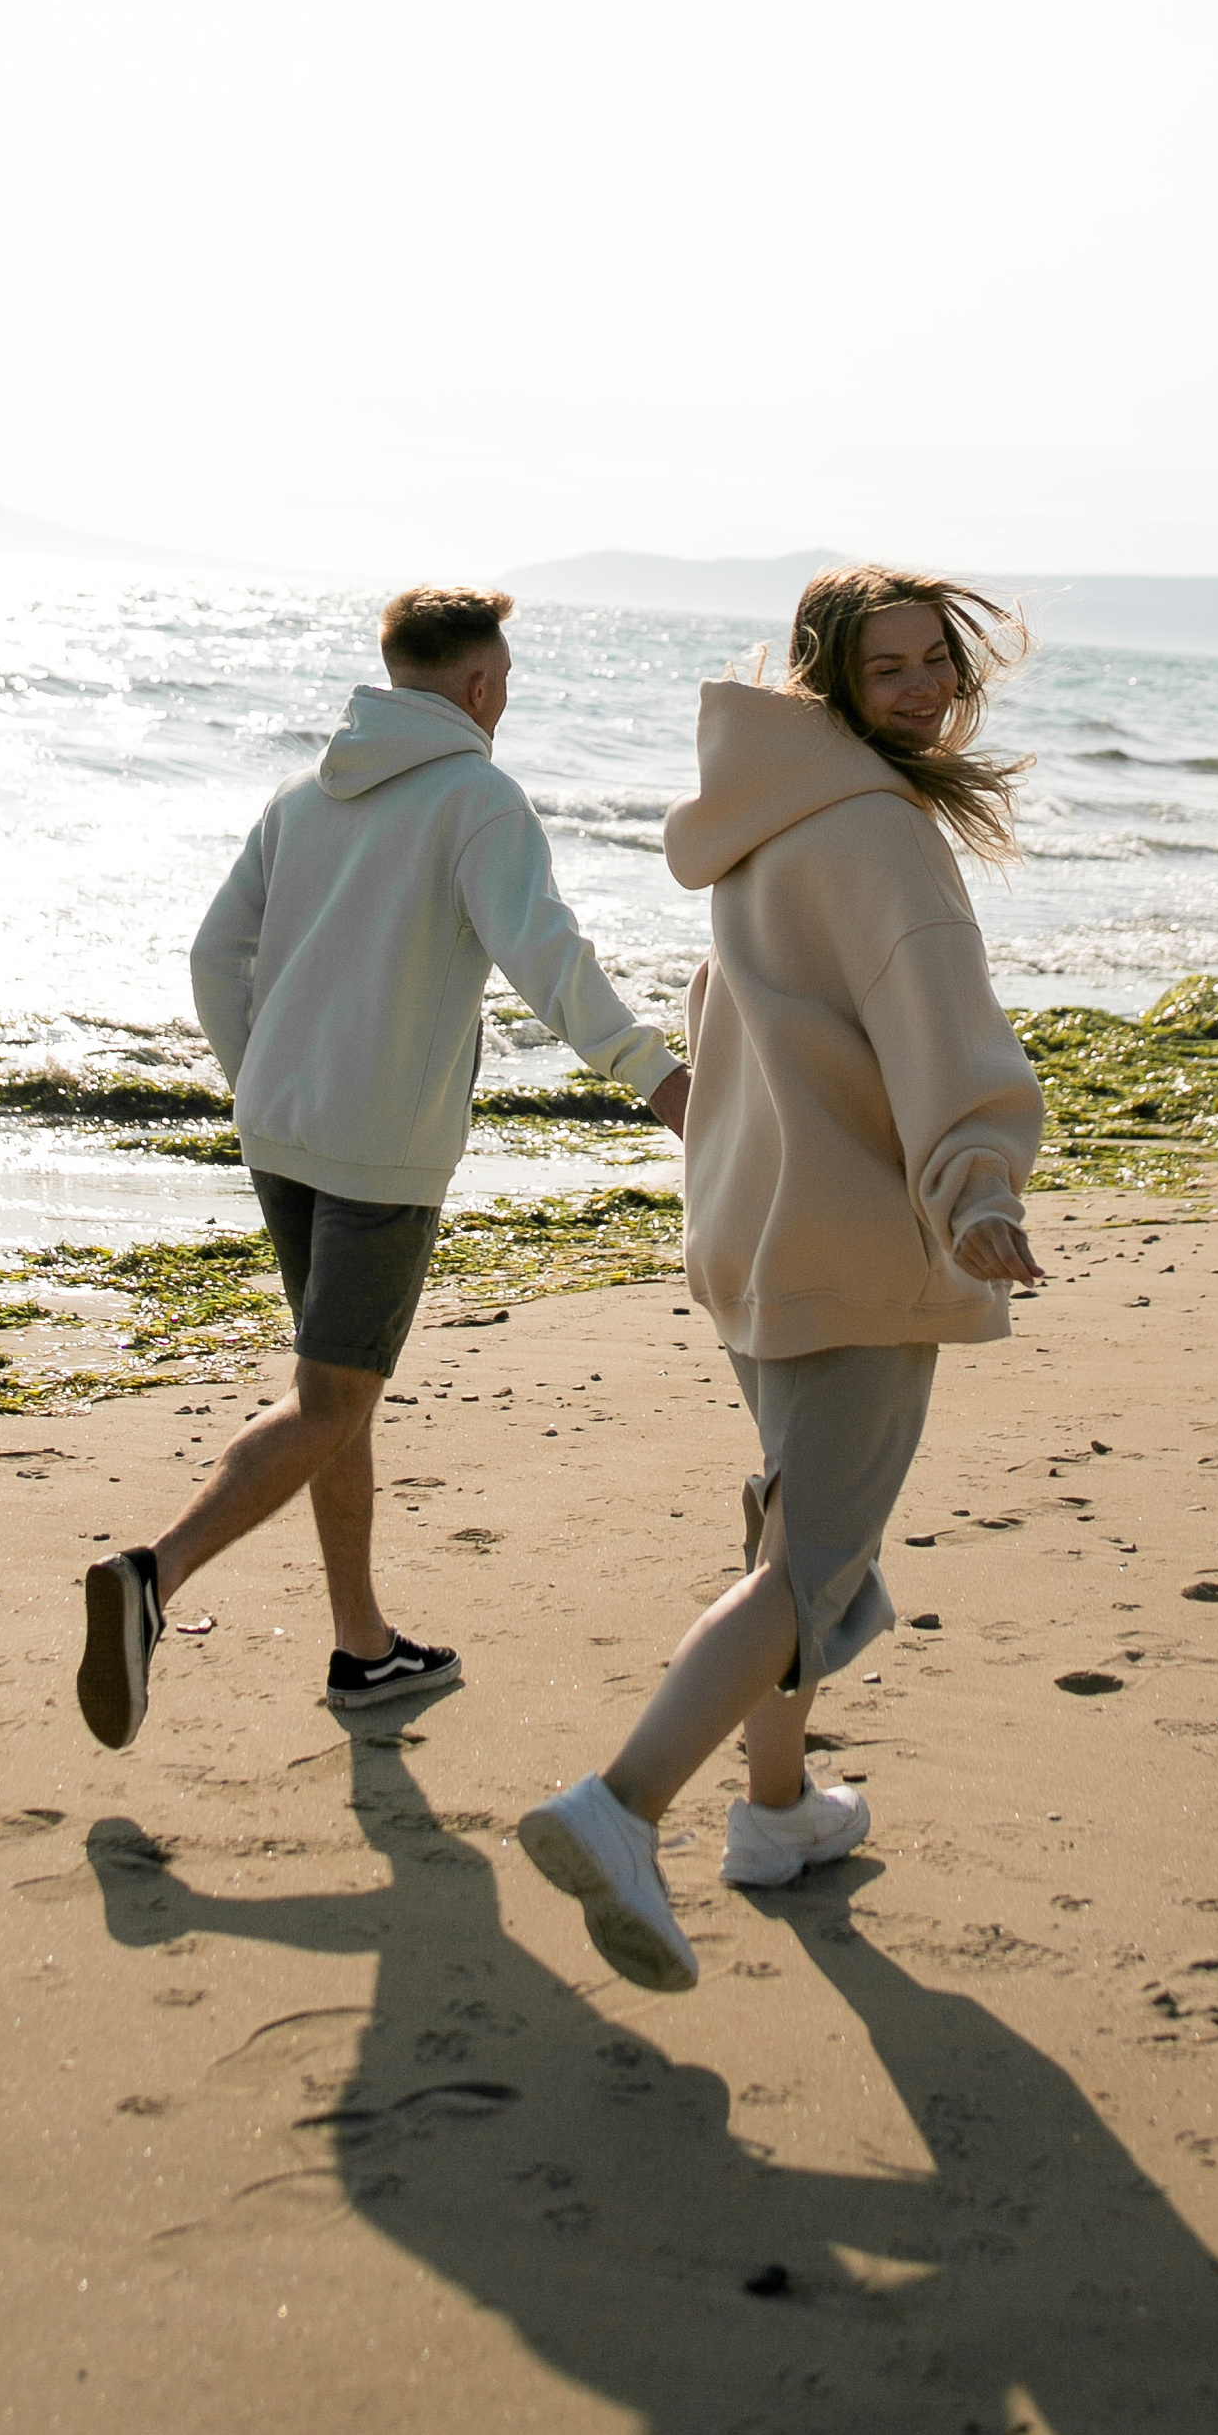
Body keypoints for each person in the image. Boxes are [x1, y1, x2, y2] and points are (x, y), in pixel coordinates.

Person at [518, 564, 1044, 1992]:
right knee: (809, 1566)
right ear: (832, 684)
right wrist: (976, 1189)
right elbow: (934, 1020)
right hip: (856, 1246)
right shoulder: (880, 834)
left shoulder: (766, 826)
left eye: (938, 661)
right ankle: (621, 1808)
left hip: (755, 1242)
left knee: (790, 1536)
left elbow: (733, 1024)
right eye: (892, 672)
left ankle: (775, 1815)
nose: (928, 688)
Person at [76, 584, 691, 1750]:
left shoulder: (302, 796)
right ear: (478, 687)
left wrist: (259, 1076)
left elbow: (216, 955)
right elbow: (544, 958)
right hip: (378, 1154)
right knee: (332, 1397)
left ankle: (364, 1648)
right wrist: (659, 1075)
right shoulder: (479, 798)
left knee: (334, 1389)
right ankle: (151, 1576)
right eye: (500, 684)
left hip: (283, 1132)